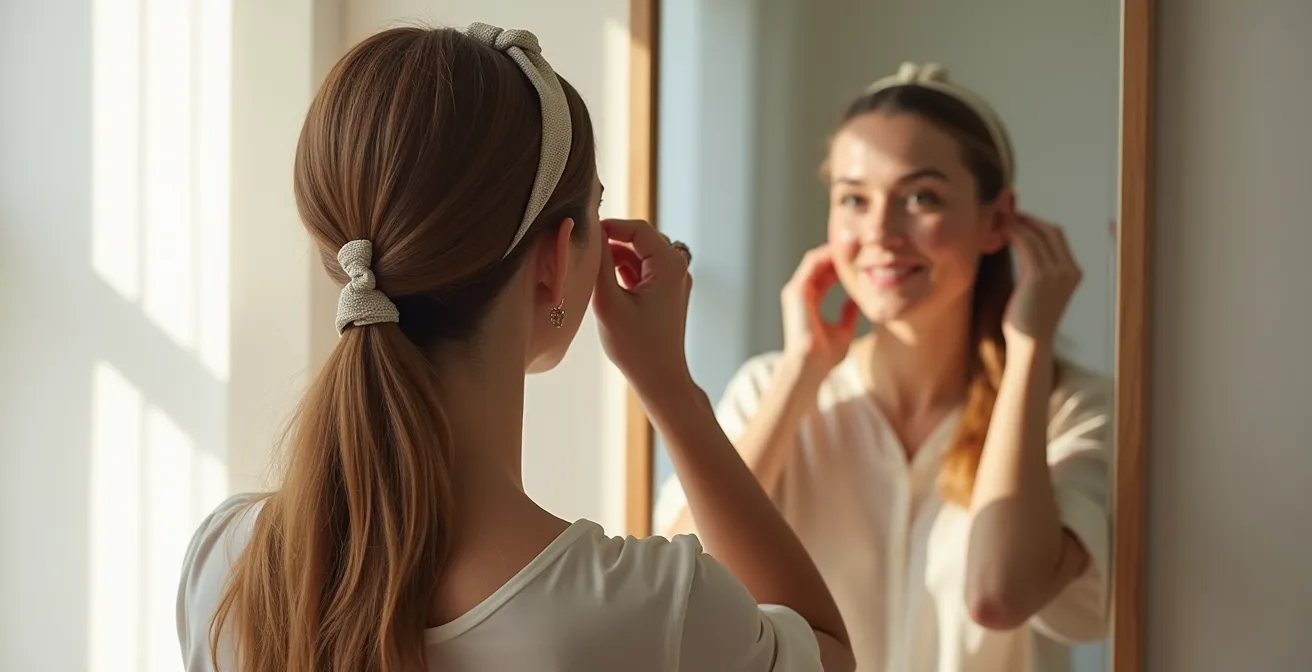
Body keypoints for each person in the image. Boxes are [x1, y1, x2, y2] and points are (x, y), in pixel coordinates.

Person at [174, 23, 856, 672]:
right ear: (556, 260)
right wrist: (669, 391)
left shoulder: (224, 559)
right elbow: (826, 652)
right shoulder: (648, 610)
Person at [657, 62, 1111, 672]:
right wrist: (802, 373)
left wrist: (1028, 348)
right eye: (854, 199)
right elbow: (679, 587)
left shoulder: (1069, 409)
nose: (880, 231)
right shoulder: (770, 389)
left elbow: (999, 593)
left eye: (921, 197)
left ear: (997, 221)